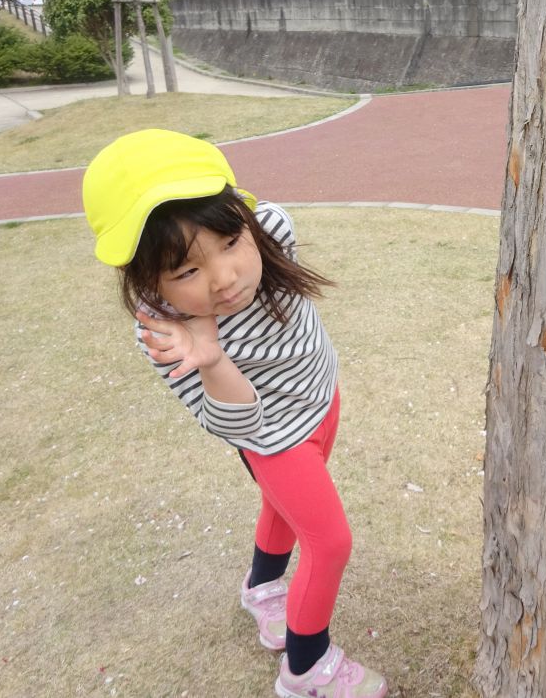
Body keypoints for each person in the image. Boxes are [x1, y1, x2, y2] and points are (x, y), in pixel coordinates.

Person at [82, 129, 386, 698]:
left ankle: (261, 589)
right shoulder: (163, 334)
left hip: (321, 397)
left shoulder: (271, 229)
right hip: (271, 436)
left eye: (228, 243)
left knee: (281, 508)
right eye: (187, 271)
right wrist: (211, 358)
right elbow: (238, 429)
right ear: (147, 281)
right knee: (329, 543)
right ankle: (306, 669)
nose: (224, 278)